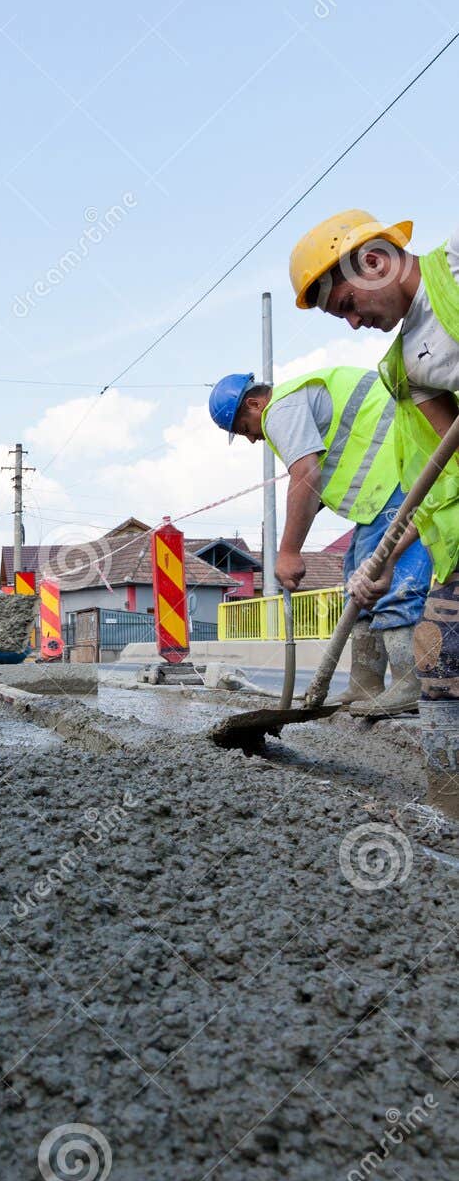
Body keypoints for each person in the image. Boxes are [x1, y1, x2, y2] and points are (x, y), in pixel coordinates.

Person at [289, 208, 459, 805]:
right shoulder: (405, 368)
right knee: (438, 658)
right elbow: (444, 476)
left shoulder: (455, 271)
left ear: (375, 261)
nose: (355, 323)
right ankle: (447, 813)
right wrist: (386, 558)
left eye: (348, 307)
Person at [208, 365, 430, 714]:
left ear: (253, 404)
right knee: (357, 580)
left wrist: (289, 552)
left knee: (386, 581)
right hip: (382, 488)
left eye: (244, 428)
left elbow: (305, 475)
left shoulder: (281, 408)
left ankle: (409, 682)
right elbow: (314, 484)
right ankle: (365, 685)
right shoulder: (297, 404)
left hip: (400, 472)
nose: (251, 439)